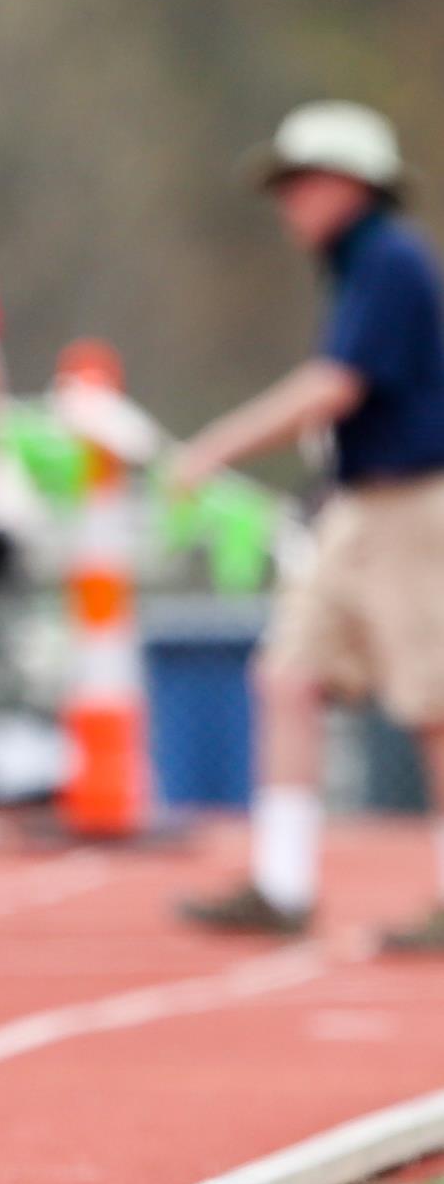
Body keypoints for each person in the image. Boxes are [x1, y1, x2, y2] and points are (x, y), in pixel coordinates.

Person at [174, 102, 444, 951]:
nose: (288, 202)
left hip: (414, 503)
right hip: (361, 502)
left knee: (433, 704)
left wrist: (220, 445)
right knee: (289, 676)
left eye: (301, 183)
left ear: (349, 185)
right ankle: (283, 883)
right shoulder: (359, 264)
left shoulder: (392, 261)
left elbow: (338, 385)